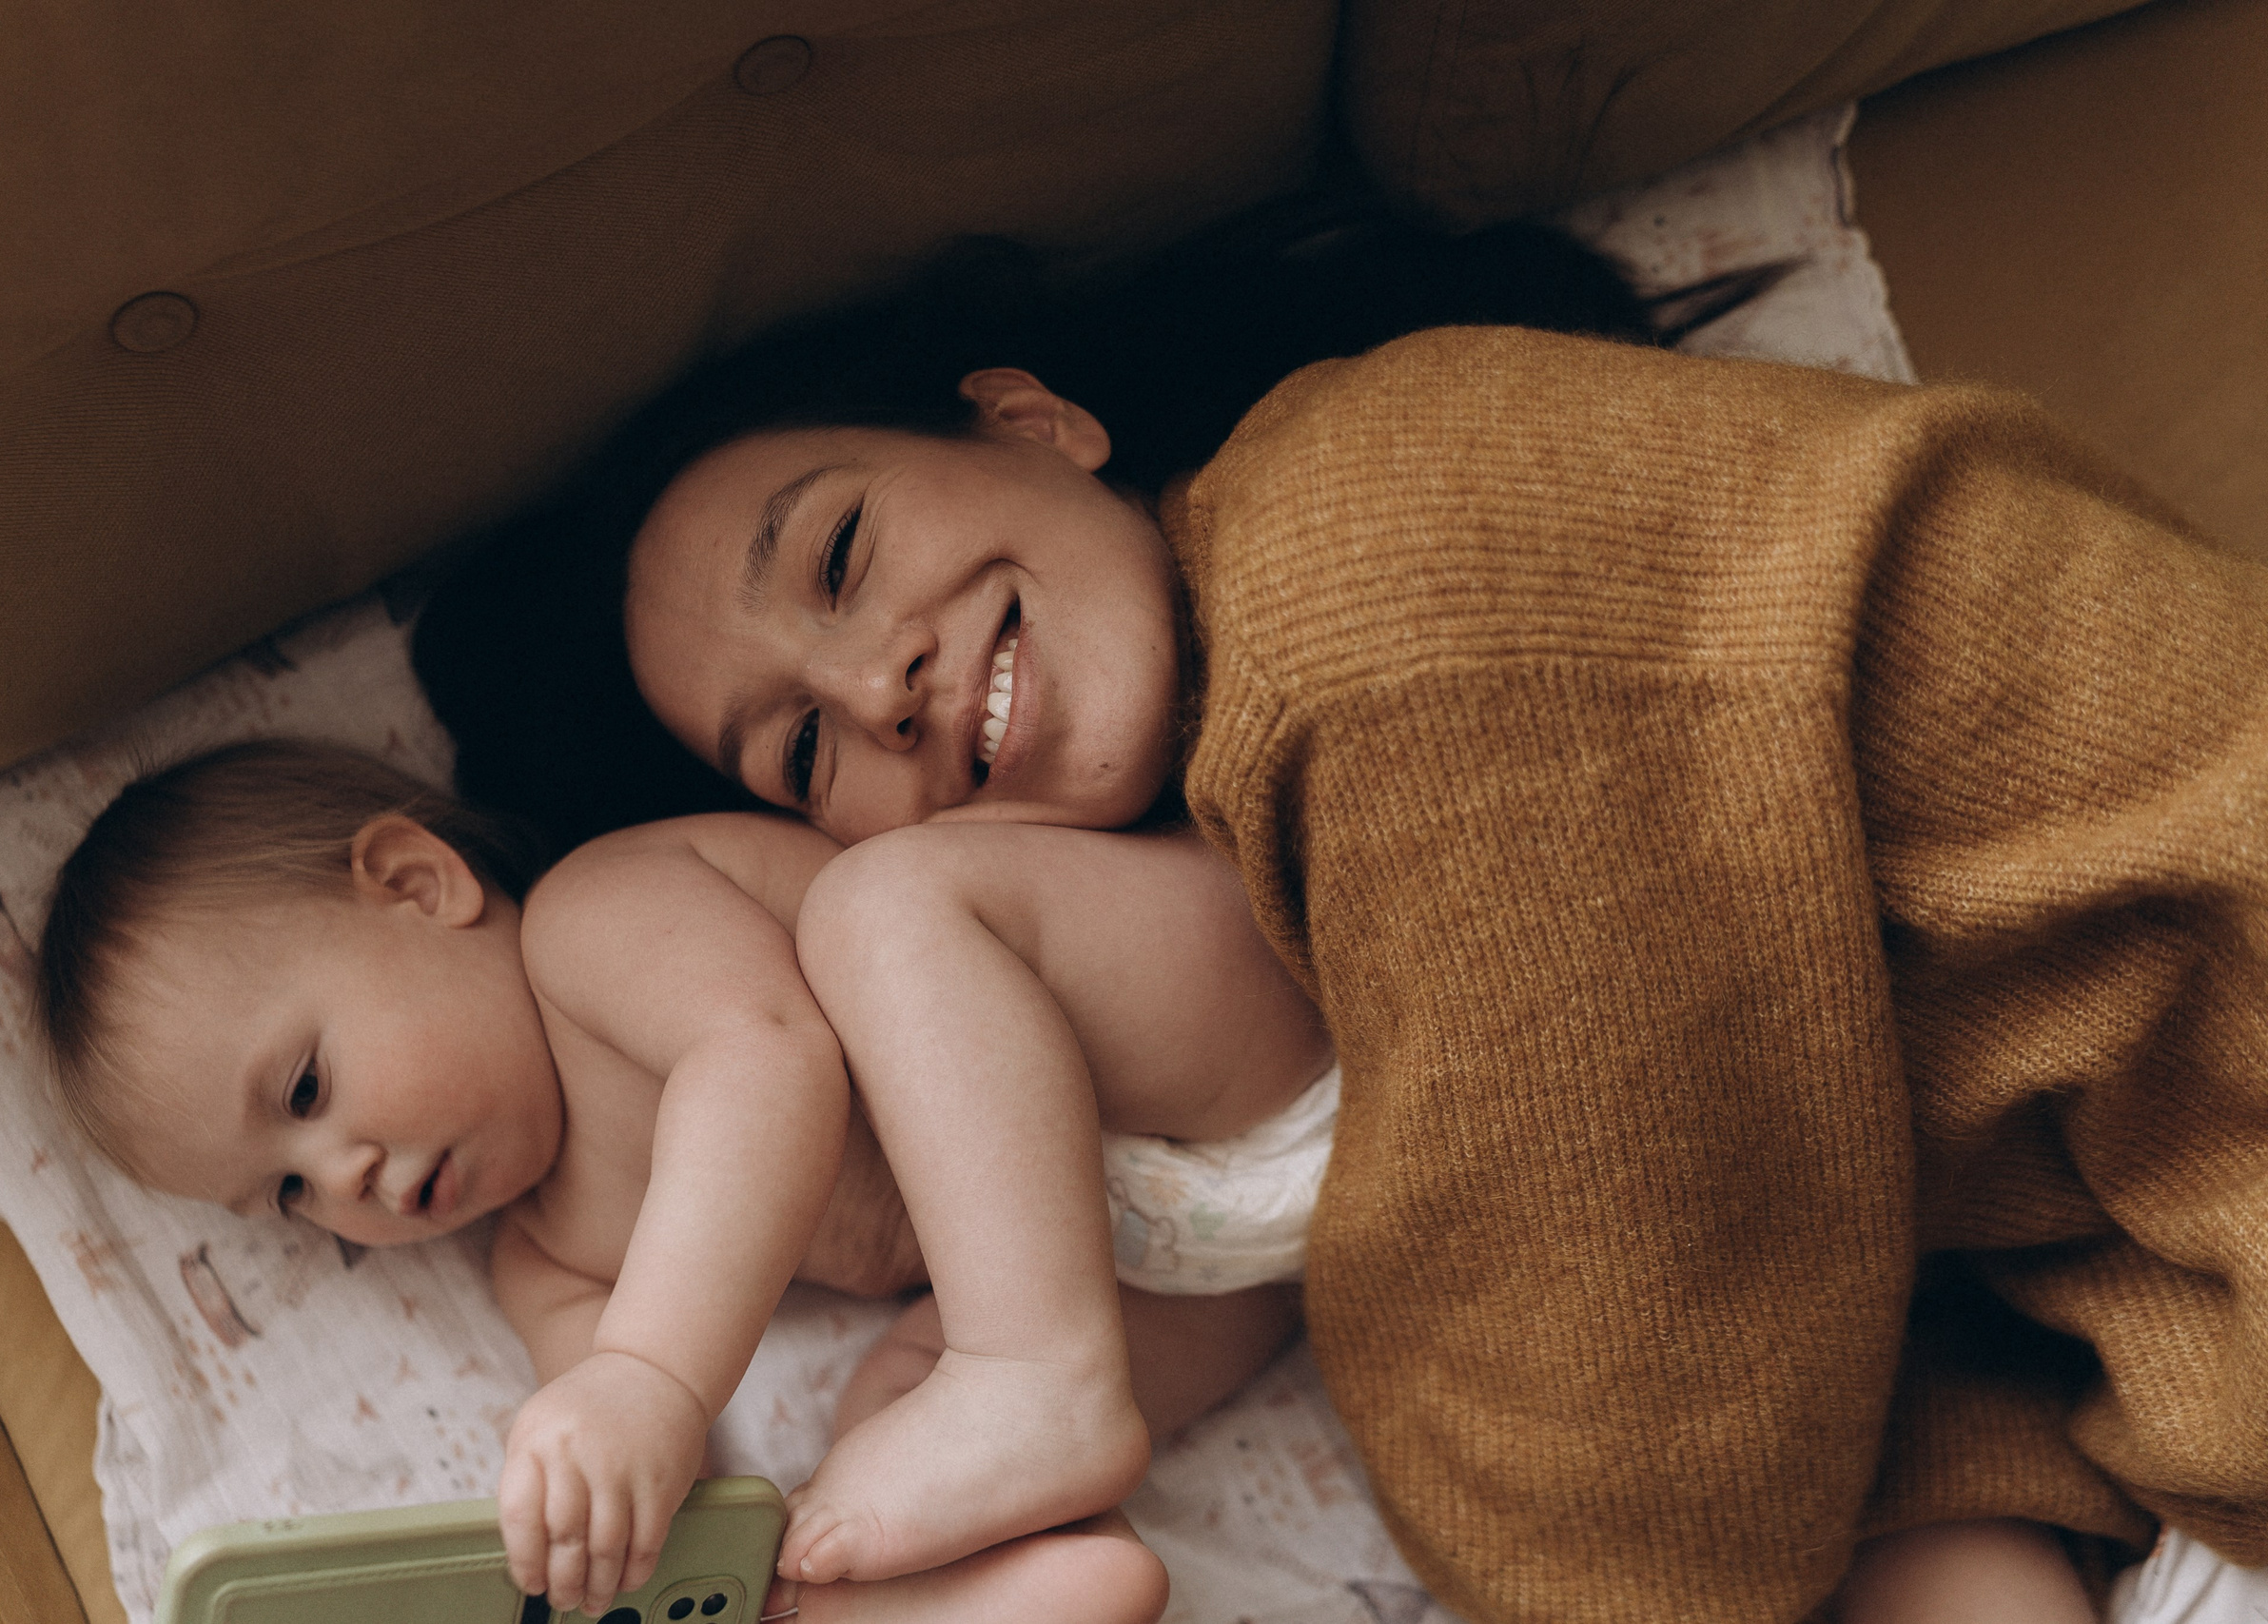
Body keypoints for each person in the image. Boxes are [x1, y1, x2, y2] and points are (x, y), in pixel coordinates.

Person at [411, 195, 2268, 1622]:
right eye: (800, 755)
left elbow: (1615, 1351)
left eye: (839, 554)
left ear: (1033, 423)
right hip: (2061, 1216)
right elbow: (1803, 1218)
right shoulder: (1279, 823)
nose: (874, 691)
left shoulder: (1365, 545)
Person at [29, 736, 1329, 1620]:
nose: (343, 1179)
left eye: (307, 1092)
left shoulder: (594, 925)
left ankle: (1035, 1391)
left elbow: (766, 1063)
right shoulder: (544, 1260)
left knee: (889, 914)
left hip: (1191, 1023)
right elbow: (656, 1463)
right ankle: (1013, 1588)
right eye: (292, 1201)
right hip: (1200, 1272)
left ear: (418, 886)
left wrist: (646, 1376)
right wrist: (615, 1520)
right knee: (884, 1431)